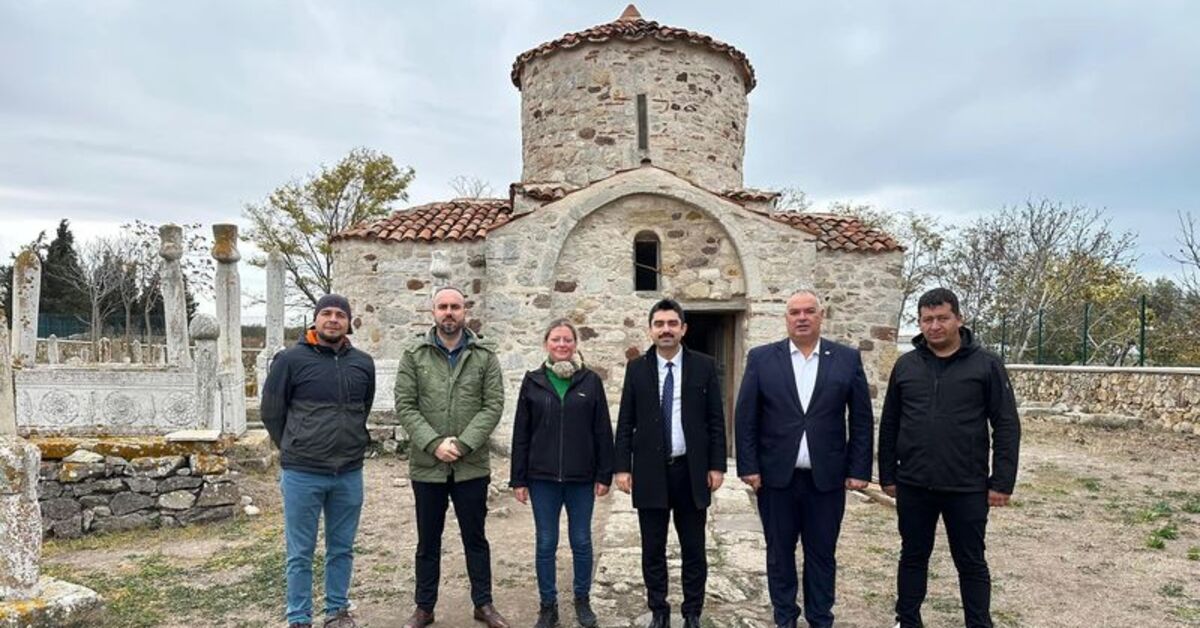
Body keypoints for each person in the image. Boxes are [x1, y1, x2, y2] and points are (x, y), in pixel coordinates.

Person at [878, 287, 1021, 628]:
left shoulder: (986, 365)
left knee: (971, 561)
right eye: (927, 320)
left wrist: (1002, 482)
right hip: (913, 483)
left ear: (959, 318)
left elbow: (1006, 425)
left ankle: (979, 623)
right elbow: (890, 423)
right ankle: (907, 621)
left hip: (967, 485)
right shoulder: (906, 366)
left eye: (942, 318)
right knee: (912, 556)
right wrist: (887, 474)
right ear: (919, 323)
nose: (935, 326)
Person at [734, 290, 873, 628]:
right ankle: (785, 618)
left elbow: (861, 419)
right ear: (786, 318)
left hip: (826, 480)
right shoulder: (763, 358)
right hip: (776, 479)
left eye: (809, 311)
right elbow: (746, 417)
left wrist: (859, 469)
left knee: (821, 555)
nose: (801, 317)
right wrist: (749, 466)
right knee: (779, 555)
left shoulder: (846, 359)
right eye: (794, 312)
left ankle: (820, 618)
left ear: (820, 316)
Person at [394, 286, 510, 628]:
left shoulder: (484, 355)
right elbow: (405, 404)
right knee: (427, 540)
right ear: (433, 311)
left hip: (471, 466)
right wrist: (433, 443)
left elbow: (493, 405)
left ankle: (484, 604)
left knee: (475, 538)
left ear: (465, 311)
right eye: (443, 306)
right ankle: (424, 607)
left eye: (455, 306)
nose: (449, 312)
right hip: (427, 467)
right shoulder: (413, 354)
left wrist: (462, 444)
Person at [261, 294, 375, 628]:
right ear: (315, 319)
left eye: (340, 314)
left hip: (348, 473)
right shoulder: (290, 360)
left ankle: (337, 611)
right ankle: (299, 617)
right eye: (326, 313)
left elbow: (362, 409)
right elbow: (271, 412)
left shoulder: (362, 363)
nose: (333, 319)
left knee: (341, 548)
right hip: (302, 473)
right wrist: (294, 447)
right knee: (301, 552)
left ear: (348, 322)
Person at [613, 299, 727, 628]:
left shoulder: (704, 366)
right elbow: (625, 421)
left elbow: (715, 420)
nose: (666, 329)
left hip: (690, 472)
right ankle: (659, 611)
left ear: (683, 328)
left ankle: (692, 611)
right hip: (650, 472)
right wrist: (622, 467)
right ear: (650, 329)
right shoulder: (637, 368)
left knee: (694, 548)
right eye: (659, 324)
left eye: (672, 323)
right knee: (653, 549)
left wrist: (716, 465)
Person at [510, 318, 614, 628]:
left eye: (567, 340)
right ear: (546, 344)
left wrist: (604, 474)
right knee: (546, 542)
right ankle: (548, 605)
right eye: (556, 339)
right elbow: (521, 433)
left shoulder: (590, 381)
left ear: (575, 344)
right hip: (542, 479)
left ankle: (582, 600)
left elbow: (602, 431)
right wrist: (518, 479)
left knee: (581, 541)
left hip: (581, 479)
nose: (561, 345)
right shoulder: (533, 381)